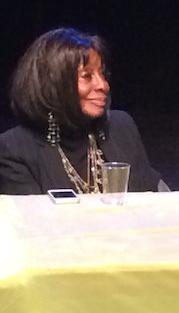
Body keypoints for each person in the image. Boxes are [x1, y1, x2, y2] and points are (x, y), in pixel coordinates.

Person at [0, 28, 162, 195]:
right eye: (87, 76)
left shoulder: (121, 127)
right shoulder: (13, 150)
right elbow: (30, 219)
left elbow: (150, 201)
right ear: (54, 85)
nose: (103, 85)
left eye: (102, 74)